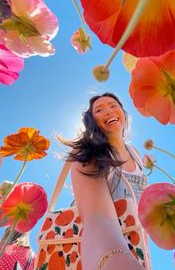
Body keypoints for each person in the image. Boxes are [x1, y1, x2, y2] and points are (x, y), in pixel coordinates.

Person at [63, 92, 151, 270]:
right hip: (97, 251)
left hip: (136, 245)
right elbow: (96, 221)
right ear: (92, 120)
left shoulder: (136, 154)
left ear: (123, 113)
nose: (109, 111)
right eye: (99, 110)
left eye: (113, 105)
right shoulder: (87, 154)